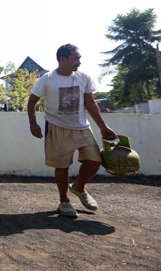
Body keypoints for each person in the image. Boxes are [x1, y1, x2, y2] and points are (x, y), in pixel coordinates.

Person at [27, 44, 117, 218]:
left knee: (95, 161)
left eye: (79, 58)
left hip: (82, 128)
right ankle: (64, 201)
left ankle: (79, 187)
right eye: (76, 58)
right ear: (63, 59)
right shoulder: (47, 79)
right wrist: (33, 123)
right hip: (56, 127)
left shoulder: (84, 78)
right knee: (62, 166)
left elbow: (91, 104)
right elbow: (32, 103)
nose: (79, 62)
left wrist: (103, 127)